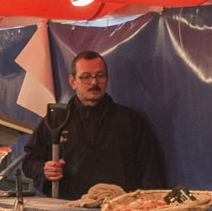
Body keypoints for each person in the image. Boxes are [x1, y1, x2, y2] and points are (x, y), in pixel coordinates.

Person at [21, 51, 167, 197]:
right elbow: (29, 161)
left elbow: (150, 170)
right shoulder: (56, 120)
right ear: (73, 82)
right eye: (86, 77)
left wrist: (149, 205)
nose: (94, 83)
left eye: (100, 76)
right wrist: (44, 169)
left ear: (107, 79)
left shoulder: (130, 120)